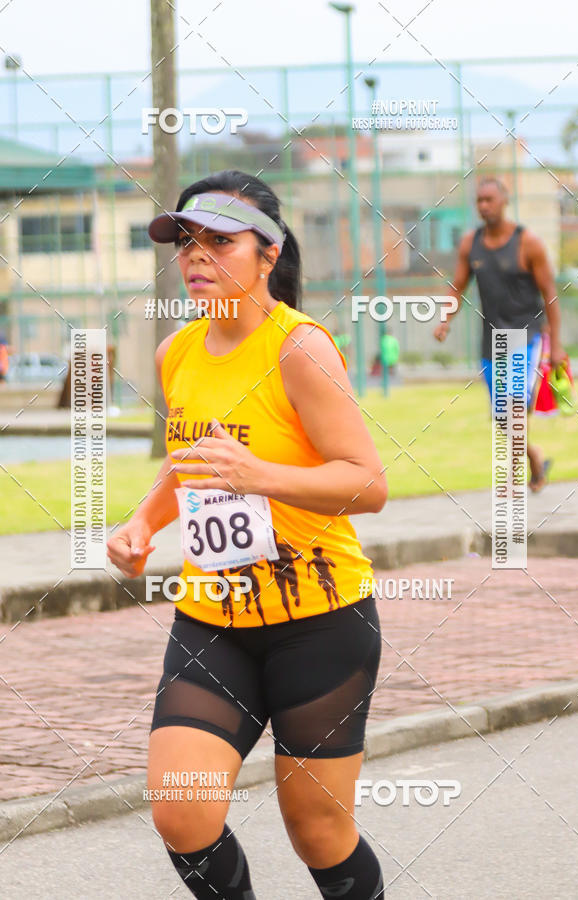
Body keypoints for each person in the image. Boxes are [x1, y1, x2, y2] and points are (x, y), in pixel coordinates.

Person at [107, 170, 388, 899]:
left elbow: (367, 482)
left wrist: (261, 475)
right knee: (181, 810)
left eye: (220, 242)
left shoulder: (299, 349)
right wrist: (143, 519)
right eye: (188, 242)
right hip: (214, 619)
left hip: (319, 622)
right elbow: (194, 464)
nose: (197, 257)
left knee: (317, 829)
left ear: (269, 254)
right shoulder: (178, 353)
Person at [434, 176, 567, 492]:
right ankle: (535, 460)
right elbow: (458, 286)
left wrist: (557, 345)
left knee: (516, 406)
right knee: (504, 417)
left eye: (489, 199)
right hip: (491, 342)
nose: (483, 206)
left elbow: (550, 293)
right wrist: (445, 319)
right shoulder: (471, 243)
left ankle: (514, 473)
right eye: (479, 200)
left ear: (504, 201)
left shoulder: (528, 243)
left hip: (526, 336)